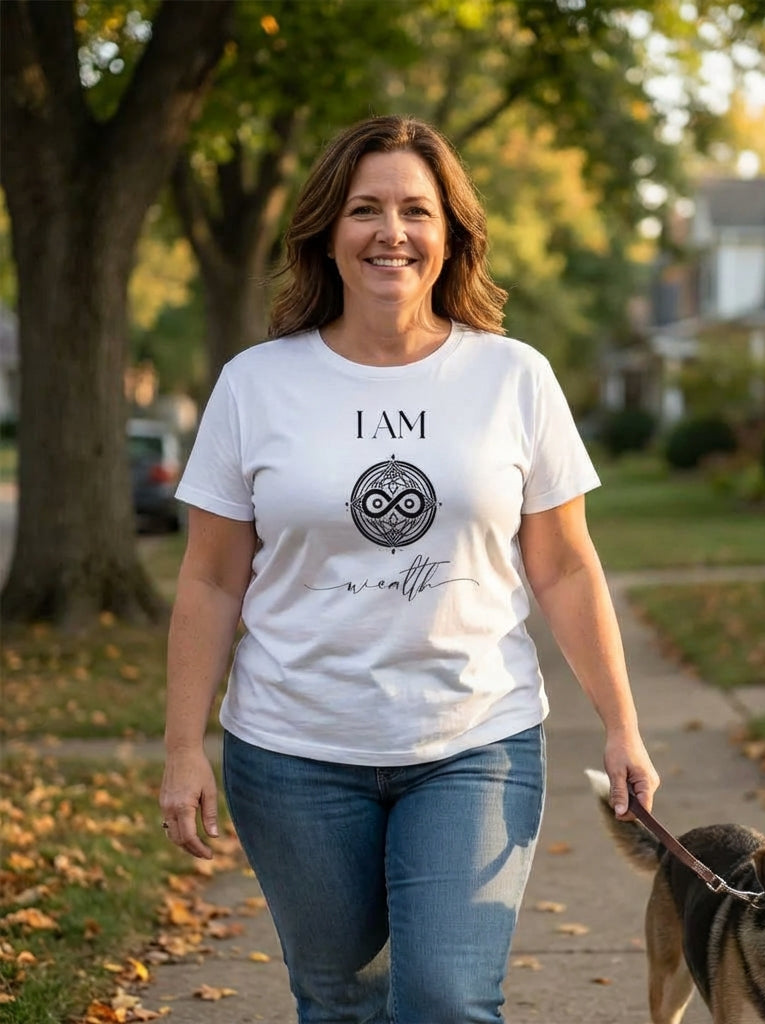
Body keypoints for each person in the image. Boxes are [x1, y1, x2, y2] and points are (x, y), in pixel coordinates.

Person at [159, 114, 659, 1024]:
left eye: (416, 210)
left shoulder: (514, 378)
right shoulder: (255, 384)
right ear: (326, 232)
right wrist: (182, 744)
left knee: (445, 1000)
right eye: (365, 209)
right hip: (293, 751)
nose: (392, 231)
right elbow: (210, 578)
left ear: (450, 234)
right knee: (340, 999)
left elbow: (565, 567)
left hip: (474, 740)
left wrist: (622, 725)